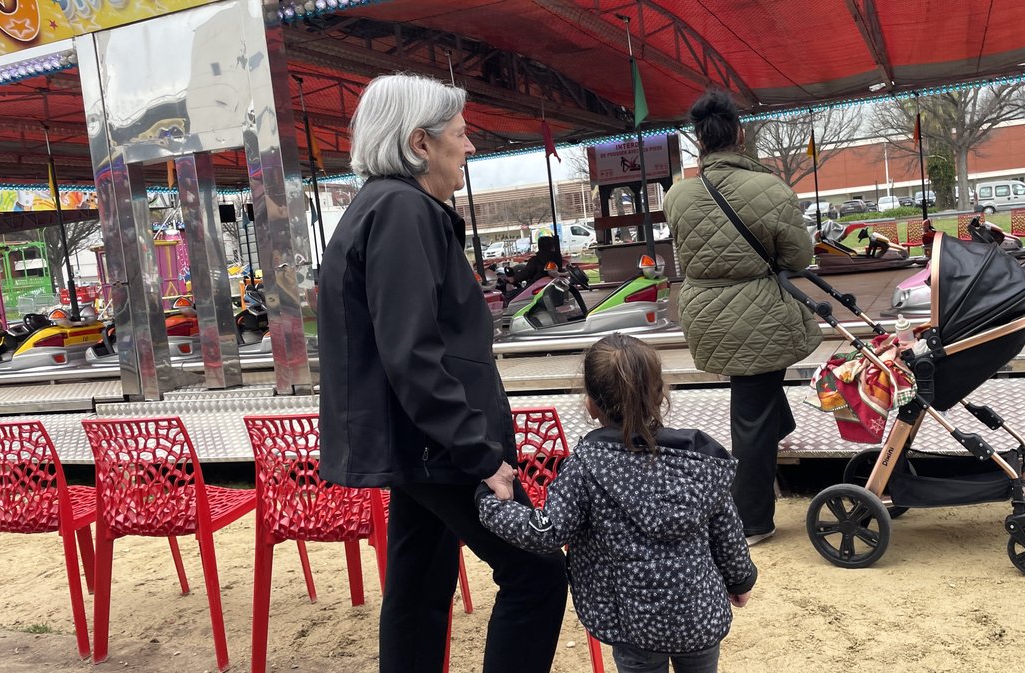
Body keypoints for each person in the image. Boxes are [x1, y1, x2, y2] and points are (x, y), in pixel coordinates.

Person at [316, 73, 567, 673]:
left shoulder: (379, 206)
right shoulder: (403, 211)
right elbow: (413, 352)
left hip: (418, 443)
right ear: (419, 143)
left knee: (420, 584)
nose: (471, 146)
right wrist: (481, 453)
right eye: (460, 133)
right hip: (441, 446)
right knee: (535, 576)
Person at [477, 333, 757, 673]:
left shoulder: (585, 466)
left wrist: (491, 504)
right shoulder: (700, 460)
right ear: (660, 393)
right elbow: (727, 531)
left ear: (591, 403)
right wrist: (740, 581)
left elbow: (547, 532)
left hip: (631, 622)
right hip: (699, 614)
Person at [663, 89, 822, 546]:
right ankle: (753, 520)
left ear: (699, 142)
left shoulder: (678, 197)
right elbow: (797, 254)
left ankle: (781, 428)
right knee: (751, 417)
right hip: (758, 312)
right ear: (740, 134)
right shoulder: (771, 188)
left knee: (756, 390)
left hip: (706, 312)